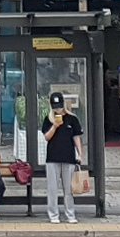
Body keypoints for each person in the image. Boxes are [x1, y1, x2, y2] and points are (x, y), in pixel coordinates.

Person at [42, 92, 85, 224]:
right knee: (52, 189)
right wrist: (54, 126)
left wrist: (80, 154)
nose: (58, 110)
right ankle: (53, 215)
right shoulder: (48, 119)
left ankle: (70, 214)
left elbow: (76, 137)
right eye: (55, 107)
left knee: (69, 189)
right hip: (52, 157)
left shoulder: (72, 119)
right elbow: (47, 137)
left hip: (69, 157)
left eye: (59, 106)